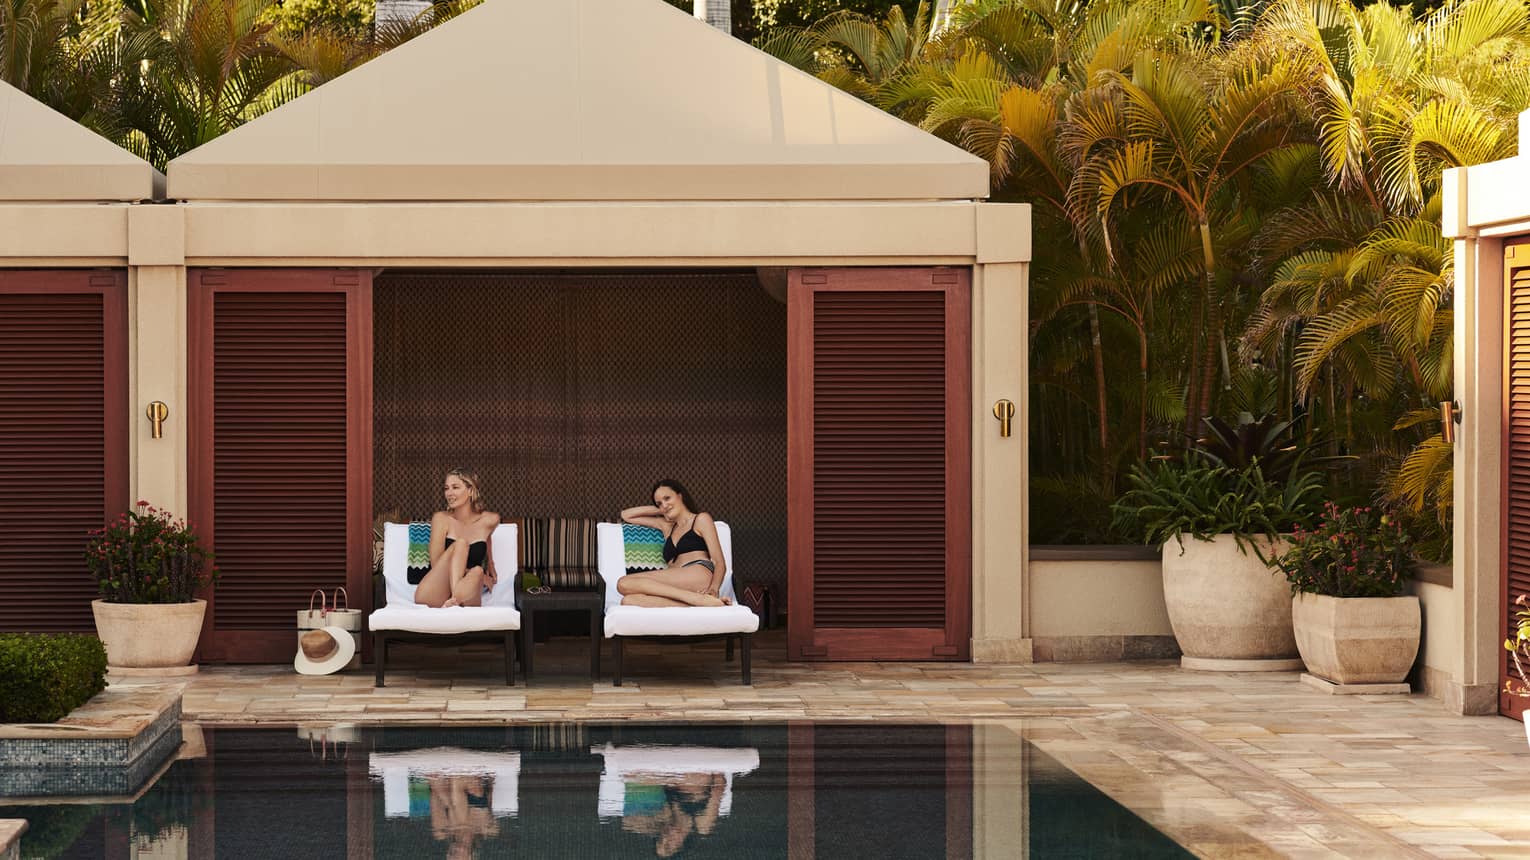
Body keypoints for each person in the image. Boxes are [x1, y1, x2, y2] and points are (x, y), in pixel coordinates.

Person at [618, 479, 730, 607]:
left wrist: (714, 589)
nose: (664, 505)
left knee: (623, 583)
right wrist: (661, 510)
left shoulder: (701, 519)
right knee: (629, 600)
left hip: (698, 572)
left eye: (667, 498)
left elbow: (719, 561)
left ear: (680, 496)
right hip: (678, 583)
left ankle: (698, 599)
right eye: (659, 503)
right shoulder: (666, 526)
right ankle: (697, 603)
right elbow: (626, 515)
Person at [414, 468, 501, 608]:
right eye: (446, 488)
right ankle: (456, 599)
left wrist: (490, 562)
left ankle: (454, 601)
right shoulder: (441, 519)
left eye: (455, 487)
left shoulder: (490, 520)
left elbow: (487, 535)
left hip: (467, 593)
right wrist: (484, 578)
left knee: (478, 571)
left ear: (471, 490)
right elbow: (436, 564)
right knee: (461, 544)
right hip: (435, 593)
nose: (449, 493)